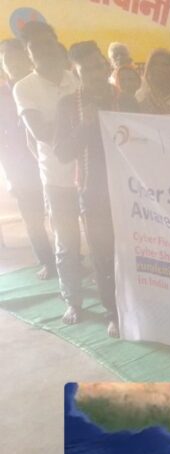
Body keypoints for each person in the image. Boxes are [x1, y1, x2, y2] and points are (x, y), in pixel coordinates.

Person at [54, 41, 139, 338]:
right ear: (76, 72)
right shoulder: (68, 105)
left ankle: (138, 307)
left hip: (130, 192)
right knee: (103, 255)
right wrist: (85, 125)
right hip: (94, 194)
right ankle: (113, 312)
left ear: (105, 65)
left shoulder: (126, 101)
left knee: (132, 252)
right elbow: (62, 152)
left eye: (97, 65)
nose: (94, 73)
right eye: (86, 69)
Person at [13, 21, 82, 324]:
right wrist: (77, 123)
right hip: (56, 178)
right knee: (66, 242)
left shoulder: (75, 78)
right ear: (28, 53)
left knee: (99, 239)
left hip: (89, 173)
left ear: (57, 43)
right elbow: (40, 132)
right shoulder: (24, 87)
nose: (44, 50)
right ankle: (73, 301)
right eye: (35, 46)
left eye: (48, 42)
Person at [0, 39, 54, 280]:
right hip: (20, 168)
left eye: (16, 57)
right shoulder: (2, 95)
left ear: (27, 58)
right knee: (33, 218)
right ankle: (47, 261)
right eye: (6, 59)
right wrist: (9, 175)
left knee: (61, 214)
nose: (12, 63)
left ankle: (70, 257)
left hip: (50, 160)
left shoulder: (40, 86)